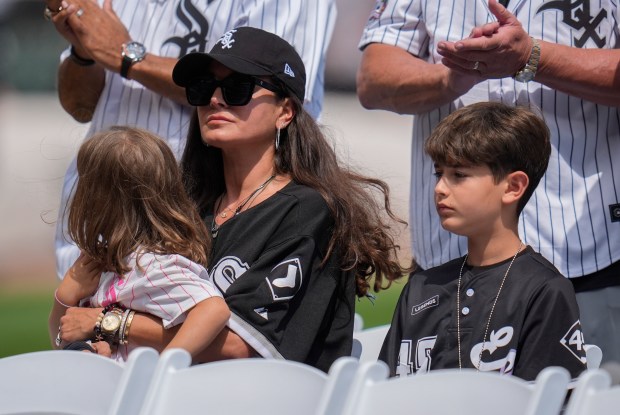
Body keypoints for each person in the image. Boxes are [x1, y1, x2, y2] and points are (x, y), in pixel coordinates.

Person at [57, 27, 408, 372]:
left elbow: (242, 345)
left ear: (285, 112)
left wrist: (113, 323)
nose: (215, 99)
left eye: (238, 87)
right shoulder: (187, 209)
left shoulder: (307, 211)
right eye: (202, 87)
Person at [358, 0, 620, 364]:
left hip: (589, 253)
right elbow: (373, 78)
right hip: (448, 262)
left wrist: (532, 57)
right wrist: (451, 78)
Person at [44, 0, 337, 280]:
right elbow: (79, 106)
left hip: (202, 213)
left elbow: (278, 86)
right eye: (202, 87)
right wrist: (85, 52)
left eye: (231, 89)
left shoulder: (299, 210)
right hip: (101, 215)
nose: (212, 98)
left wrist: (127, 56)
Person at [380, 102, 586, 380]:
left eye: (459, 175)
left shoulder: (544, 290)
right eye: (439, 173)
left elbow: (551, 402)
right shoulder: (421, 287)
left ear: (513, 187)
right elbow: (384, 394)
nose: (440, 188)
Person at [49, 126, 230, 361]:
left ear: (98, 198)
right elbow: (59, 339)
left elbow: (214, 310)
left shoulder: (153, 264)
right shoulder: (101, 264)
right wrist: (66, 297)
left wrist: (165, 367)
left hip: (146, 395)